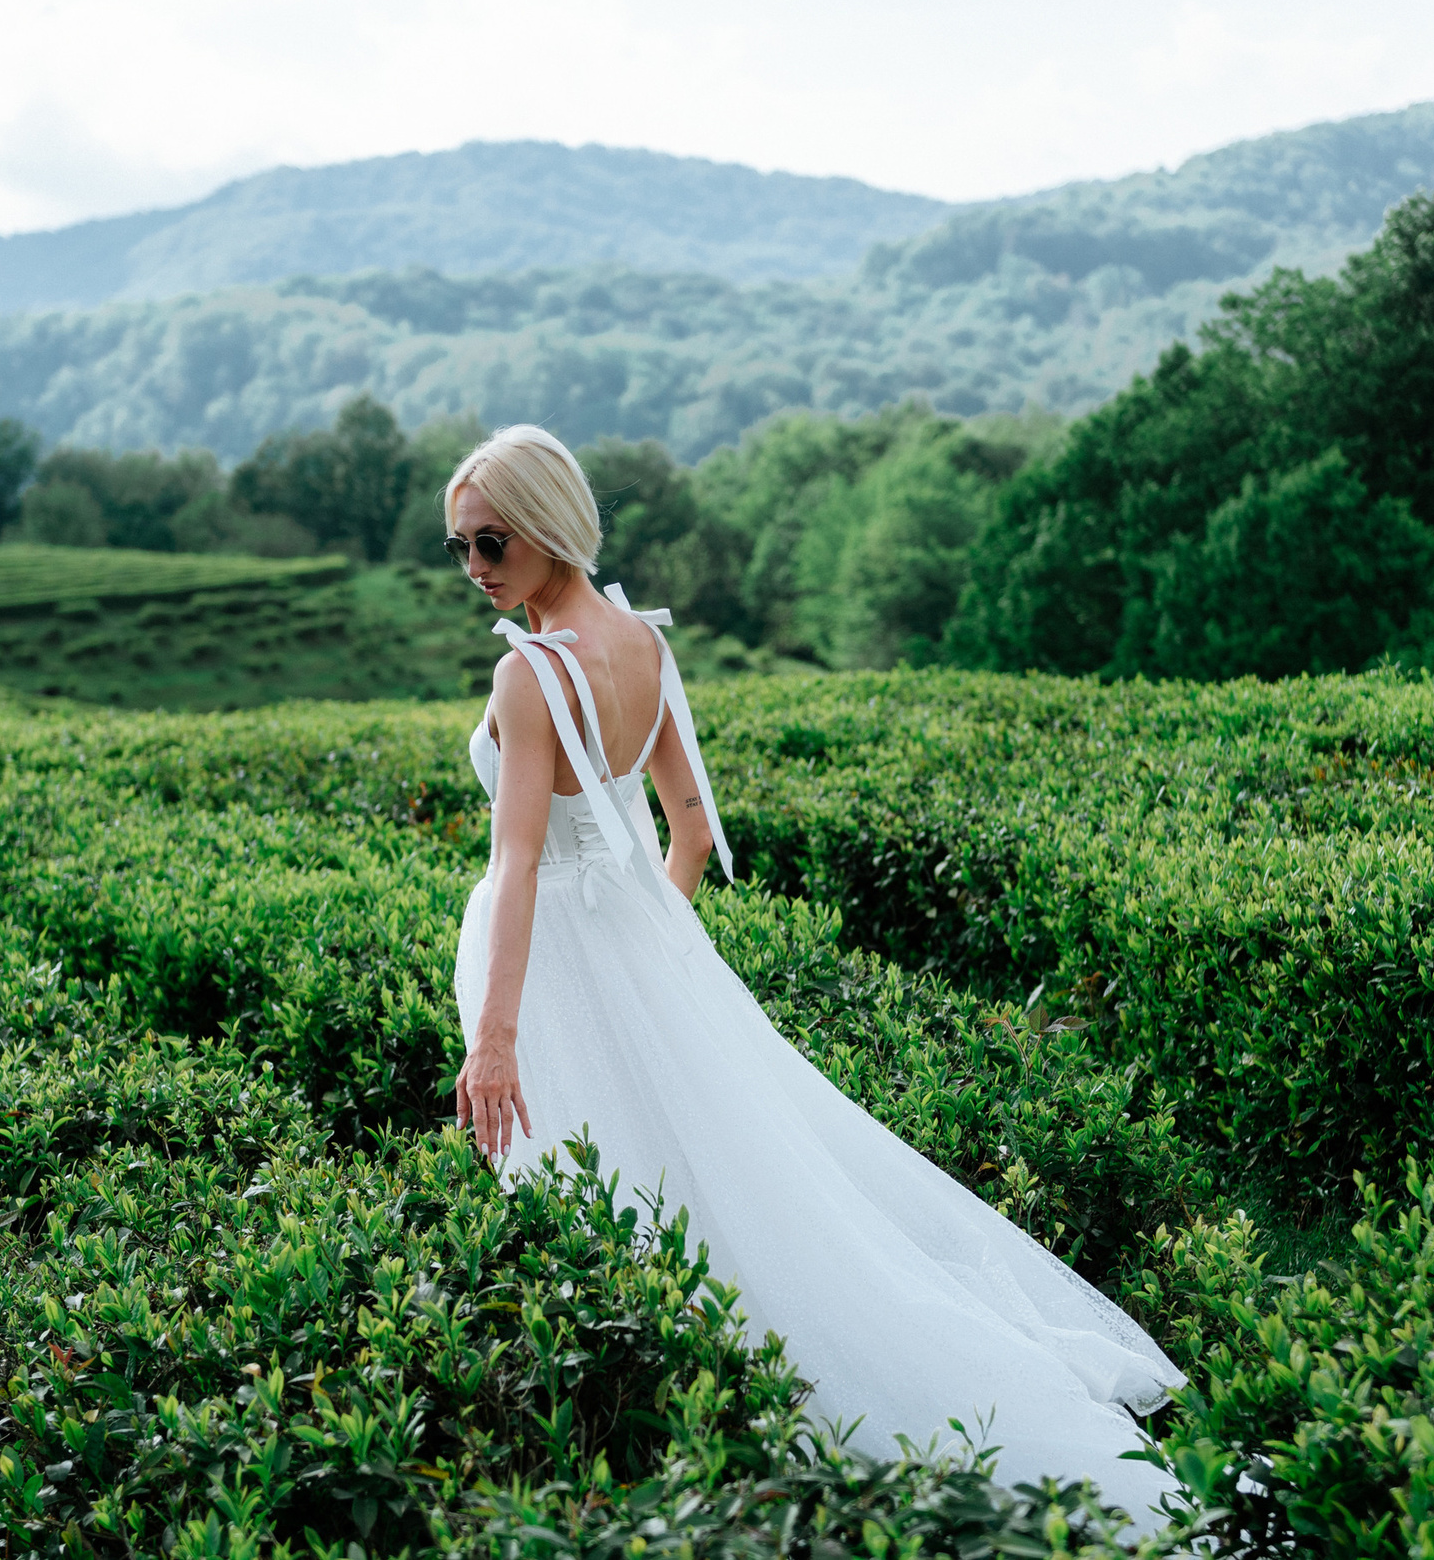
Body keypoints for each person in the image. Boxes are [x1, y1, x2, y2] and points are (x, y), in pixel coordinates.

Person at [443, 424, 1181, 1521]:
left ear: (547, 527)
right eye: (458, 546)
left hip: (553, 960)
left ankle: (656, 1414)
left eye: (491, 541)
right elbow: (688, 833)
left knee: (616, 1182)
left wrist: (495, 1037)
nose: (474, 569)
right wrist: (655, 952)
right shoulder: (646, 645)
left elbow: (514, 862)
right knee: (724, 1174)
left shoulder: (527, 675)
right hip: (647, 947)